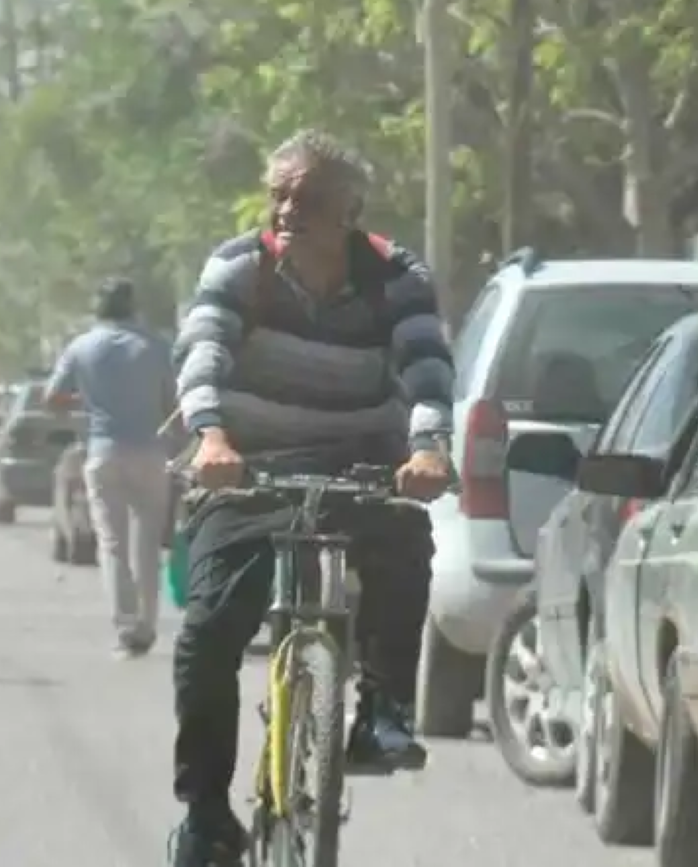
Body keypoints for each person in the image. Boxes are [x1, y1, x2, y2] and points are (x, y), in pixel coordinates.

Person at [168, 130, 455, 866]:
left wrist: (428, 450)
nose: (289, 209)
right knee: (208, 634)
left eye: (311, 198)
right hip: (248, 469)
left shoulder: (397, 276)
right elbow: (203, 352)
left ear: (351, 211)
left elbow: (426, 369)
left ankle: (382, 709)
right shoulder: (241, 265)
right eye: (280, 194)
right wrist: (210, 437)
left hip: (360, 467)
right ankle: (206, 816)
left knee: (404, 548)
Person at [44, 277, 175, 658]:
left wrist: (84, 404)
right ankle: (148, 626)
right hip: (151, 453)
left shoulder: (81, 346)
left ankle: (125, 625)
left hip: (103, 452)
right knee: (148, 544)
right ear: (132, 307)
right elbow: (174, 403)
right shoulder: (155, 346)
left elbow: (52, 398)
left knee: (113, 544)